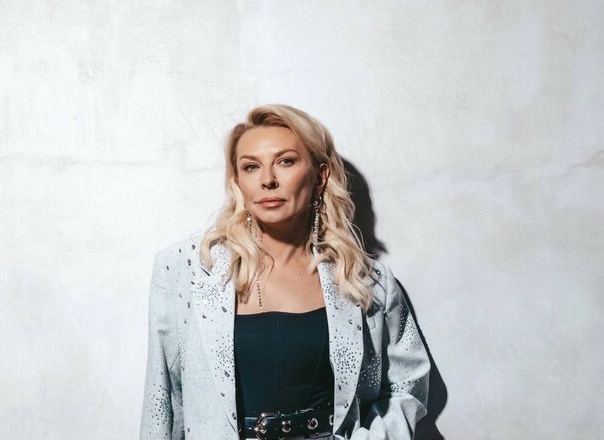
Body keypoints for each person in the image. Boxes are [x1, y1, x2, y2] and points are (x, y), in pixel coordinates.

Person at [140, 105, 430, 440]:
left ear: (320, 176)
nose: (267, 180)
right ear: (238, 182)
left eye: (286, 161)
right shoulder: (188, 269)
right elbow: (163, 399)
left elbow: (407, 386)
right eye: (251, 167)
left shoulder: (365, 280)